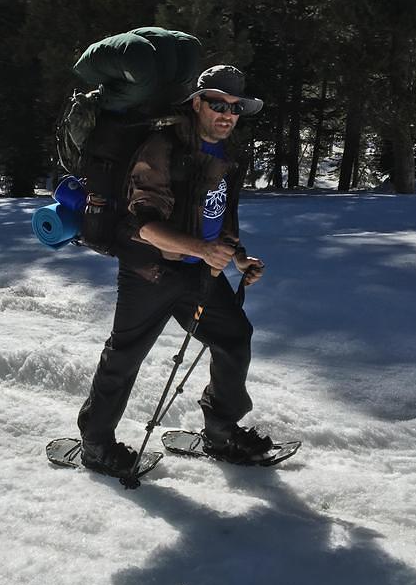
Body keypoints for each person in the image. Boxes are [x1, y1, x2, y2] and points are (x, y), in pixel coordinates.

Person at [77, 64, 273, 476]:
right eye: (218, 104)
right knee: (125, 357)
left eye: (236, 108)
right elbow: (141, 225)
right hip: (150, 273)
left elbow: (217, 215)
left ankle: (221, 430)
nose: (227, 114)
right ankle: (96, 445)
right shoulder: (162, 148)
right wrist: (203, 250)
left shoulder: (228, 154)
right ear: (198, 103)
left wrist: (237, 258)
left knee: (235, 338)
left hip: (200, 272)